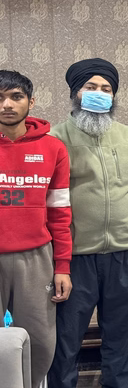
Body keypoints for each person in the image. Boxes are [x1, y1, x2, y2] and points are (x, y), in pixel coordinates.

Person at [48, 58, 128, 388]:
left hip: (127, 257)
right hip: (74, 259)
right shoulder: (54, 139)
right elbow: (47, 202)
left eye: (106, 89)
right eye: (91, 87)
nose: (99, 93)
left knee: (124, 341)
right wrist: (57, 260)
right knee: (64, 342)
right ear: (75, 93)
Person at [0, 70, 72, 388]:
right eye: (0, 98)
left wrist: (63, 266)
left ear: (31, 102)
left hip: (36, 257)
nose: (7, 105)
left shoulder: (53, 148)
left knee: (41, 342)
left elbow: (60, 213)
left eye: (16, 97)